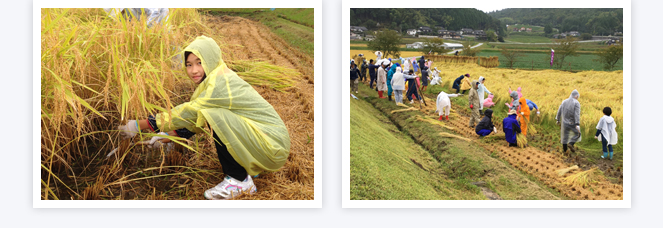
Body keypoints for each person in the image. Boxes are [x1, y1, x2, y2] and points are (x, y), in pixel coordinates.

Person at [117, 36, 290, 200]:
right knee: (212, 113)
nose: (194, 70)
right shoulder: (216, 77)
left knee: (216, 116)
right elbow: (196, 120)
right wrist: (167, 135)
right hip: (265, 141)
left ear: (211, 59)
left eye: (200, 63)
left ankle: (240, 180)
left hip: (272, 144)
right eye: (189, 64)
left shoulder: (220, 83)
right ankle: (246, 166)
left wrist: (141, 125)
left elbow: (190, 112)